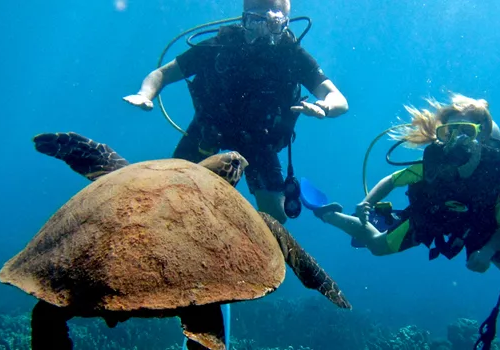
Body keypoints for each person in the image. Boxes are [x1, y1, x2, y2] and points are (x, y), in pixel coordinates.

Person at [122, 0, 349, 224]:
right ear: (243, 18)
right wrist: (145, 94)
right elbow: (162, 74)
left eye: (272, 24)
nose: (262, 33)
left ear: (285, 24)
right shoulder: (219, 47)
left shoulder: (293, 57)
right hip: (210, 129)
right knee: (166, 188)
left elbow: (339, 100)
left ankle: (324, 214)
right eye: (255, 21)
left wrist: (326, 107)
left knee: (277, 216)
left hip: (260, 140)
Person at [308, 94, 500, 275]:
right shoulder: (436, 163)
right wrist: (367, 202)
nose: (459, 139)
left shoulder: (498, 177)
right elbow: (392, 180)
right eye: (451, 131)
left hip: (475, 225)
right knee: (377, 246)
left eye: (467, 131)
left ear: (483, 135)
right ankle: (329, 215)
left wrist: (487, 251)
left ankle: (385, 219)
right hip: (431, 217)